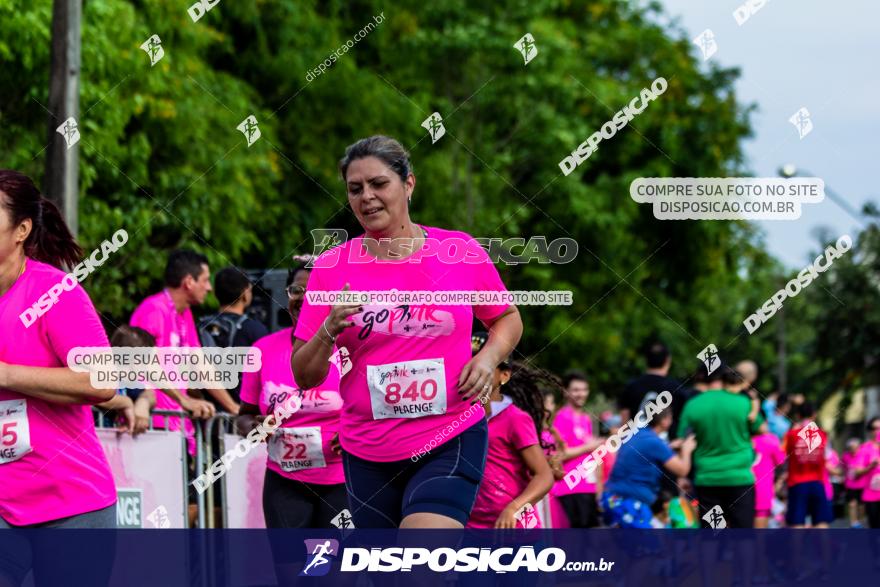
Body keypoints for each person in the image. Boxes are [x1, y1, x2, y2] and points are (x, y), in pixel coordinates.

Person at [291, 135, 522, 529]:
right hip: (368, 449)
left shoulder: (459, 251)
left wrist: (486, 359)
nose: (367, 197)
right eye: (355, 188)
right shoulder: (331, 268)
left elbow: (507, 318)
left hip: (450, 434)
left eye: (379, 184)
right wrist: (327, 330)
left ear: (409, 184)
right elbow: (304, 374)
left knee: (420, 562)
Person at [0, 170, 122, 585]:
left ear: (21, 229)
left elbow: (102, 382)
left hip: (70, 506)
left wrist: (5, 374)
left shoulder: (54, 291)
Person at [239, 264, 347, 527]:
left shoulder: (350, 349)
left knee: (327, 565)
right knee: (289, 567)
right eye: (296, 289)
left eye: (314, 290)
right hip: (283, 482)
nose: (303, 297)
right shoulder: (261, 349)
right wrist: (253, 426)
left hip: (340, 481)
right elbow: (244, 415)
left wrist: (348, 434)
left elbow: (372, 412)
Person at [466, 333, 555, 529]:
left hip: (513, 530)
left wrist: (513, 509)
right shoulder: (457, 420)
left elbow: (544, 476)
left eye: (484, 366)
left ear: (504, 376)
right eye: (468, 364)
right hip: (470, 529)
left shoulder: (515, 419)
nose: (474, 371)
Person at [130, 249, 225, 420]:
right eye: (205, 280)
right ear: (189, 282)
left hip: (177, 422)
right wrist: (184, 400)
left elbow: (200, 365)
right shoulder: (154, 310)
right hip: (152, 423)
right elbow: (143, 363)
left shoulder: (185, 314)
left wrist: (233, 408)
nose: (209, 288)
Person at [677, 363, 763, 528]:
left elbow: (683, 439)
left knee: (712, 535)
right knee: (743, 537)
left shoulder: (692, 405)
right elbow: (761, 429)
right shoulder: (742, 402)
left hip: (707, 481)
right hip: (740, 479)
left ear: (702, 377)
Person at [601, 405, 695, 528]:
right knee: (651, 545)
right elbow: (682, 470)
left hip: (612, 499)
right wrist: (687, 449)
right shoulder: (655, 443)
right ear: (664, 421)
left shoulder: (635, 435)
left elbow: (646, 453)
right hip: (630, 502)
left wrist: (669, 447)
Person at [199, 266, 268, 406]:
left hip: (204, 415)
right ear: (245, 294)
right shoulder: (256, 330)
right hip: (242, 414)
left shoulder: (200, 327)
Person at [550, 371, 604, 528]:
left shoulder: (586, 419)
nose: (581, 394)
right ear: (565, 391)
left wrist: (598, 485)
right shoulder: (561, 417)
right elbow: (558, 455)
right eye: (575, 390)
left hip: (588, 487)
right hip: (570, 488)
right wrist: (589, 446)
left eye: (584, 389)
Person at [620, 341, 690, 439]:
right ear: (667, 360)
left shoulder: (631, 387)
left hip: (638, 446)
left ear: (646, 360)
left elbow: (625, 424)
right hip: (669, 448)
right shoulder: (678, 389)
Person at [782, 402, 833, 528]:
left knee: (797, 522)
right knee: (821, 522)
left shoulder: (791, 435)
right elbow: (827, 457)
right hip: (817, 482)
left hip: (797, 483)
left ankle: (796, 549)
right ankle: (823, 549)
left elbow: (783, 457)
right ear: (814, 415)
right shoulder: (822, 435)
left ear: (798, 415)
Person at [752, 422, 785, 528]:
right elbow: (781, 460)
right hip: (762, 493)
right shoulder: (770, 440)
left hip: (737, 492)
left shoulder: (740, 440)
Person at [855, 417, 880, 528]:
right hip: (872, 496)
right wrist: (871, 466)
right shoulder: (864, 449)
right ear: (870, 431)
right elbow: (857, 472)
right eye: (874, 428)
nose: (877, 431)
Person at [842, 437, 868, 527]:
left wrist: (860, 471)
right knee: (852, 504)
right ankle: (854, 523)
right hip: (850, 484)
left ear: (858, 447)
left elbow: (868, 468)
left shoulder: (864, 454)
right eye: (850, 448)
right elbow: (843, 468)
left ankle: (861, 520)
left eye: (855, 447)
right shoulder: (846, 456)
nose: (853, 449)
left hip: (862, 484)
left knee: (861, 505)